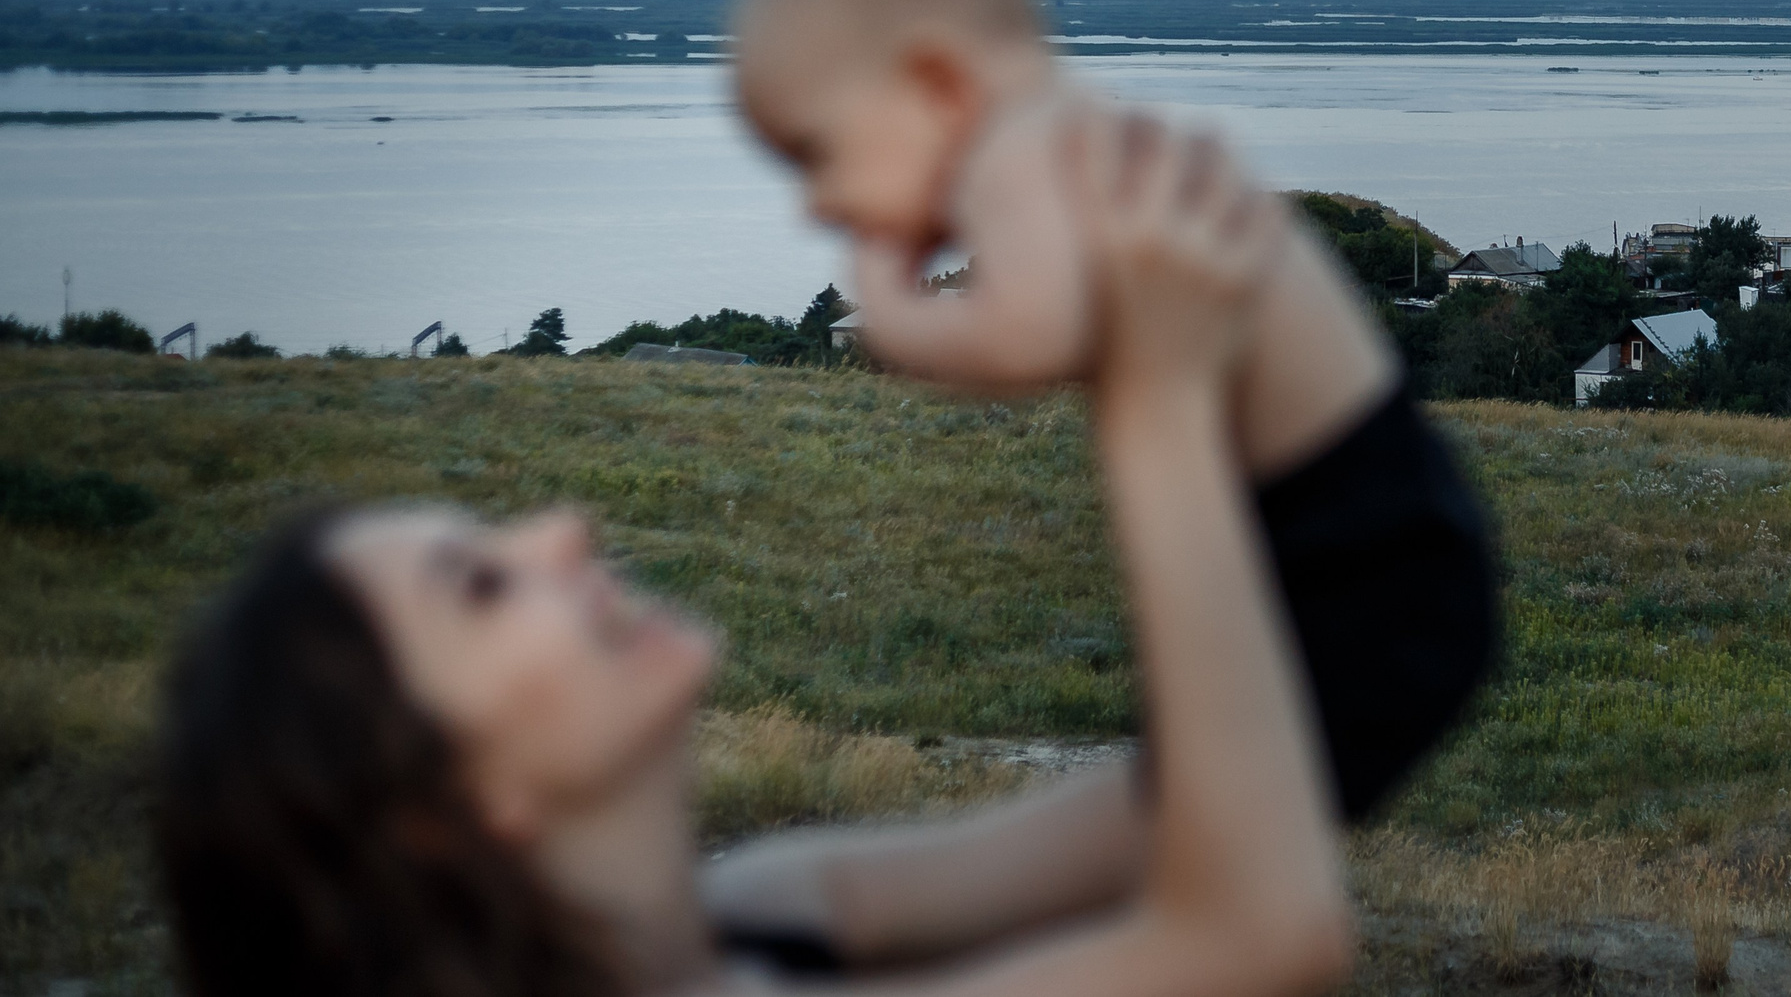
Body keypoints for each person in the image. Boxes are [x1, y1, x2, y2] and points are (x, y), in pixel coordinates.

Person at [158, 110, 1355, 997]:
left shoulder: (762, 908)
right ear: (445, 812)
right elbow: (1258, 932)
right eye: (478, 585)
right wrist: (1158, 397)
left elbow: (1249, 783)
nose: (565, 530)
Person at [733, 0, 1495, 825]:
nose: (815, 205)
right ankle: (847, 903)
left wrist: (894, 315)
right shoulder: (1073, 137)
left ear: (935, 84)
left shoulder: (1022, 152)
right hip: (1383, 534)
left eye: (816, 153)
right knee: (1141, 824)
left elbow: (1033, 333)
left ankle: (870, 914)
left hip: (1365, 558)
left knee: (1194, 830)